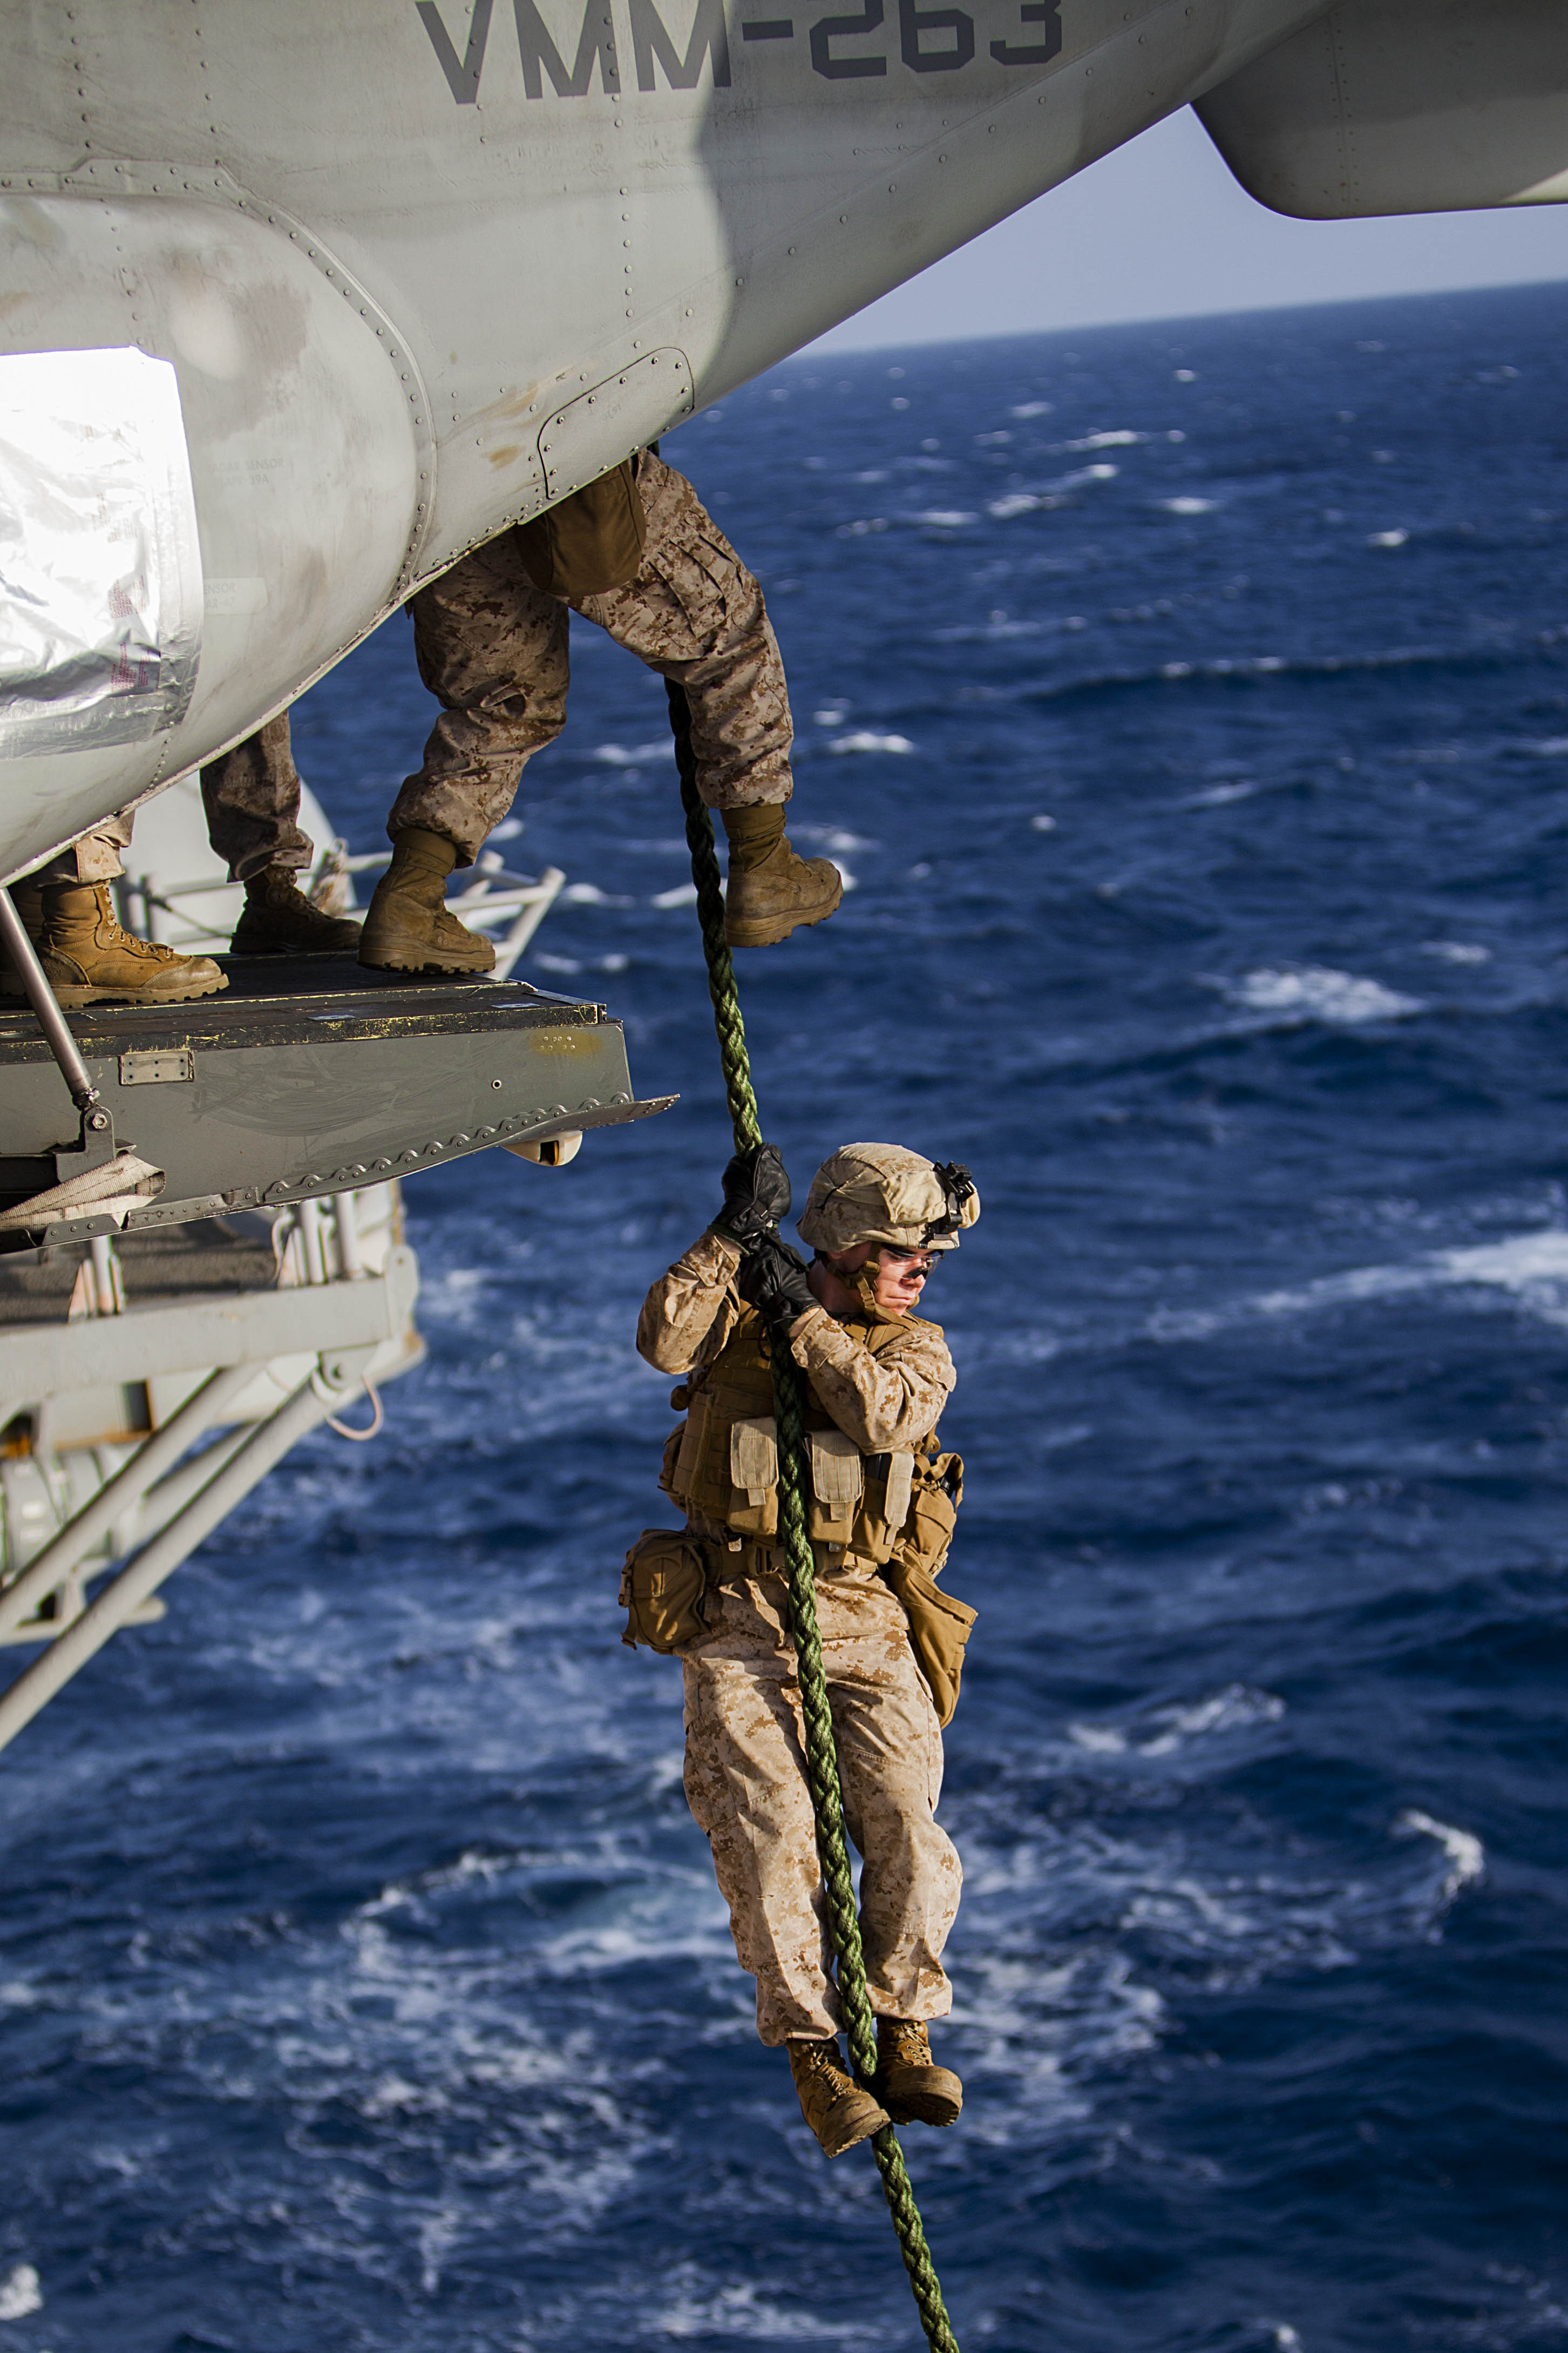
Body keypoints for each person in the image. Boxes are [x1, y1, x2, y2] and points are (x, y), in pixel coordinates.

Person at [5, 449, 840, 1002]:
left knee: (497, 693)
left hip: (432, 472)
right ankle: (762, 865)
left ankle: (402, 898)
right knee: (724, 630)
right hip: (548, 428)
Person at [631, 1141, 979, 2158]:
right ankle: (813, 2052)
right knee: (771, 1834)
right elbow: (661, 1339)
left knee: (909, 1826)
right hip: (738, 1609)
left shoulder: (915, 1348)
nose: (921, 1270)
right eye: (904, 1251)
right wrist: (726, 1240)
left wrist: (806, 1319)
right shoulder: (742, 1305)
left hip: (861, 1615)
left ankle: (901, 2020)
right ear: (848, 1244)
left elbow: (882, 1416)